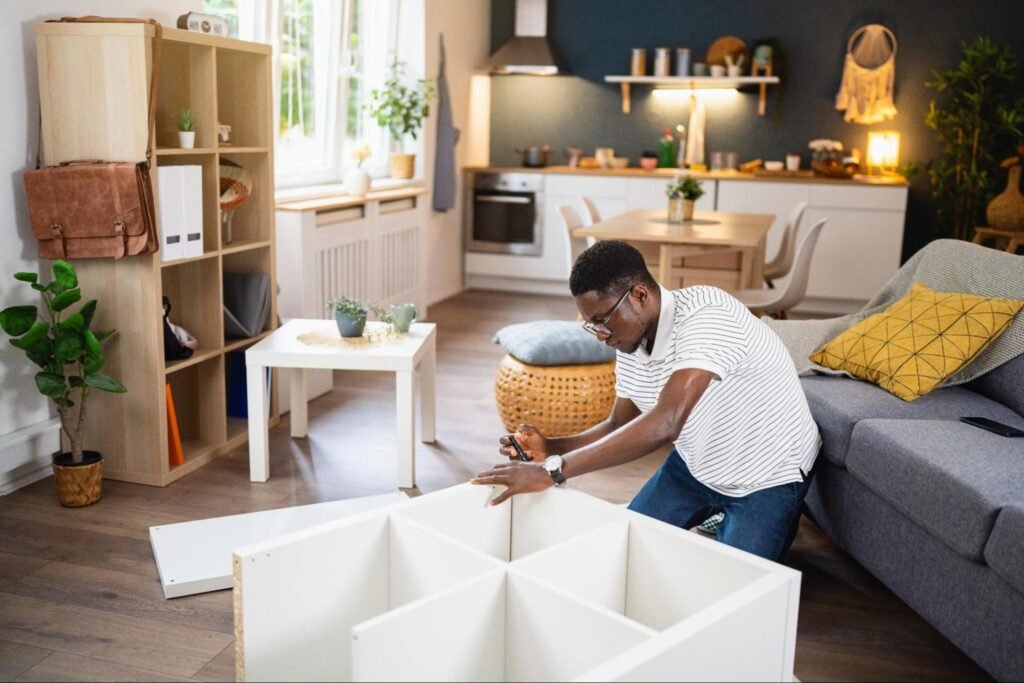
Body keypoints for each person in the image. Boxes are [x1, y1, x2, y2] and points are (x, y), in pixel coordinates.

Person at [471, 240, 821, 561]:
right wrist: (552, 447)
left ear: (639, 295)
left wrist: (553, 472)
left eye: (603, 321)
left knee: (734, 579)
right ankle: (720, 515)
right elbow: (618, 424)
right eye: (592, 325)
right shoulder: (630, 339)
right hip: (697, 465)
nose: (601, 335)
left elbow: (666, 423)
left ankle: (783, 513)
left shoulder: (708, 316)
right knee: (625, 547)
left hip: (770, 473)